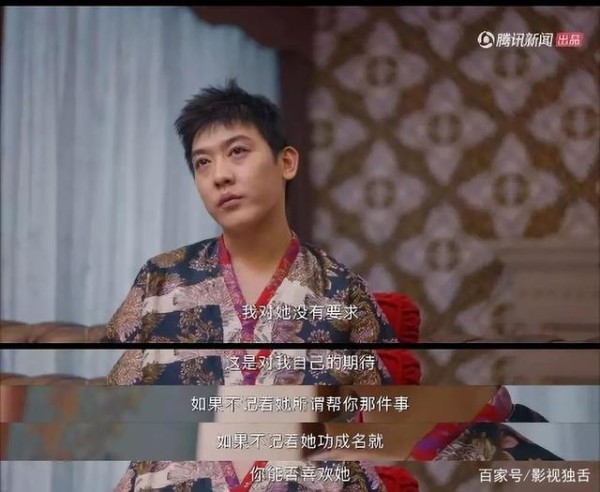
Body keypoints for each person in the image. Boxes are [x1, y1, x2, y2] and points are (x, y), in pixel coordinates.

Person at [105, 80, 403, 491]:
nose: (220, 176)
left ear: (287, 163)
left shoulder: (341, 290)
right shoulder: (162, 278)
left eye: (237, 152)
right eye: (202, 163)